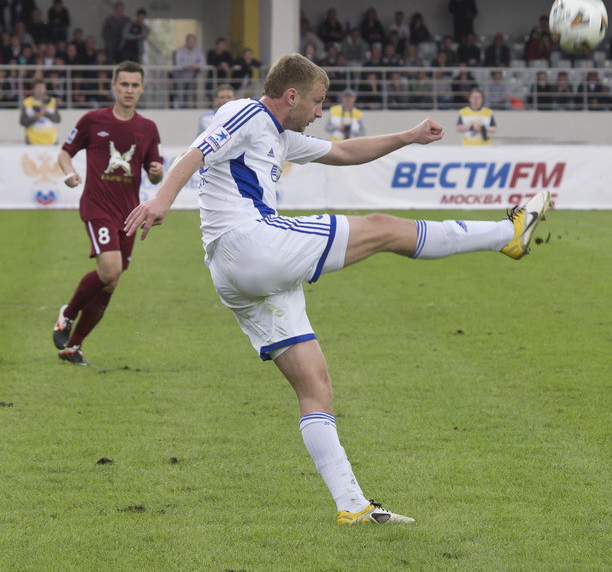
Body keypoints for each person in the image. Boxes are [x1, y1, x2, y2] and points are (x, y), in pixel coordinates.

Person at [124, 53, 551, 525]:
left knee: (314, 384)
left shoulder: (281, 135)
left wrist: (408, 136)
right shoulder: (246, 112)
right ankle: (506, 236)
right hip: (252, 244)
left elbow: (345, 153)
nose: (320, 112)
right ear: (291, 96)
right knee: (384, 228)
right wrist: (160, 200)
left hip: (236, 273)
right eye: (317, 102)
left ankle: (353, 505)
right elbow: (195, 152)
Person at [53, 61, 164, 365]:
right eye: (124, 84)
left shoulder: (147, 128)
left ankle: (72, 346)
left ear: (142, 88)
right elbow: (65, 152)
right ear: (114, 86)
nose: (129, 90)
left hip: (128, 213)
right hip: (97, 206)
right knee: (110, 270)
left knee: (111, 281)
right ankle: (68, 314)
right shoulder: (92, 120)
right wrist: (69, 173)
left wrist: (156, 172)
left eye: (134, 85)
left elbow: (155, 174)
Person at [20, 79, 61, 144]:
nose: (41, 90)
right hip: (32, 142)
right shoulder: (27, 102)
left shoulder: (52, 101)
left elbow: (58, 119)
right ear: (34, 89)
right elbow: (22, 122)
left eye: (42, 88)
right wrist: (37, 116)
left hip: (51, 141)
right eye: (38, 88)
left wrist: (45, 113)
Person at [173, 33, 206, 107]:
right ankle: (178, 110)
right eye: (189, 41)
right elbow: (178, 63)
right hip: (180, 78)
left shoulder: (198, 51)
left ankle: (185, 109)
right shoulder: (180, 50)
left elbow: (203, 63)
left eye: (193, 41)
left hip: (191, 77)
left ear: (195, 42)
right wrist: (189, 66)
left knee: (188, 97)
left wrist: (195, 66)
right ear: (186, 41)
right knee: (179, 95)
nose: (191, 43)